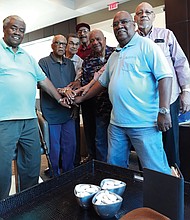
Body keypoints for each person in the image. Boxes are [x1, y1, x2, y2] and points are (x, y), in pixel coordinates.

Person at [75, 11, 173, 174]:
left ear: (133, 25)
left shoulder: (146, 46)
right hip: (117, 125)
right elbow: (101, 83)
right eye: (115, 24)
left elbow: (165, 77)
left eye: (124, 22)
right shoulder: (114, 56)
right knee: (115, 170)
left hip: (144, 124)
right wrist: (80, 99)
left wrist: (164, 111)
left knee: (156, 171)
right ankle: (119, 198)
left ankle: (163, 199)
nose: (119, 26)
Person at [0, 15, 70, 200]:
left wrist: (59, 99)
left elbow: (44, 81)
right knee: (2, 168)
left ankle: (27, 202)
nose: (18, 33)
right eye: (14, 28)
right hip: (4, 120)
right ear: (4, 29)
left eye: (22, 30)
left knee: (31, 163)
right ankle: (3, 206)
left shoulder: (28, 57)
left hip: (29, 119)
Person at [134, 2, 190, 167]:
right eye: (140, 12)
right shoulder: (132, 41)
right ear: (135, 18)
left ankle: (174, 187)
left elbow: (181, 63)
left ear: (153, 16)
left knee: (170, 146)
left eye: (148, 12)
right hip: (143, 105)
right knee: (146, 148)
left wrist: (186, 92)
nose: (144, 15)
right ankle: (149, 185)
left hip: (169, 100)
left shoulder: (166, 35)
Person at [39, 35, 76, 177]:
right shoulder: (44, 62)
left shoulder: (70, 64)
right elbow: (42, 85)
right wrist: (61, 91)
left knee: (70, 147)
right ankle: (55, 176)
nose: (61, 46)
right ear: (52, 45)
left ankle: (68, 175)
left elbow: (72, 87)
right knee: (54, 149)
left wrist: (74, 107)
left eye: (63, 44)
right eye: (58, 43)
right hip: (52, 113)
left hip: (68, 113)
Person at [76, 29, 115, 162]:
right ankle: (98, 166)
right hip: (94, 106)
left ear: (104, 39)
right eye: (92, 40)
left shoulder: (116, 54)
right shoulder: (87, 60)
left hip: (114, 106)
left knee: (113, 141)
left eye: (98, 39)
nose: (95, 42)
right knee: (97, 139)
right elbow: (86, 83)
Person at [65, 33, 83, 166]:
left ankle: (74, 164)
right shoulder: (57, 58)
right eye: (71, 43)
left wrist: (76, 108)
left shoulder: (80, 62)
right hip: (58, 101)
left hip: (73, 103)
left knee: (73, 137)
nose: (74, 46)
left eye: (77, 44)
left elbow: (78, 83)